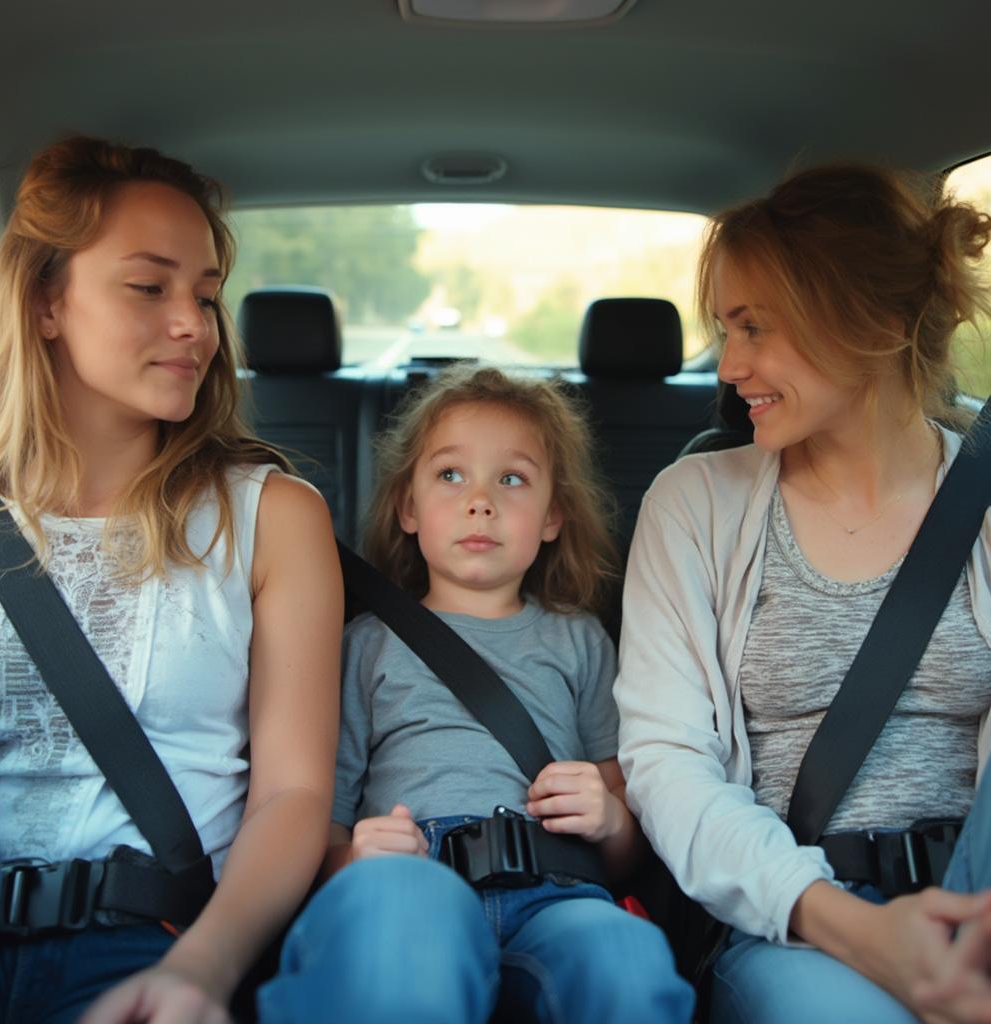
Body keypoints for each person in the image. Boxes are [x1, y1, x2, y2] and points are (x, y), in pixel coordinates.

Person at [0, 136, 342, 1023]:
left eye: (207, 295)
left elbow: (293, 792)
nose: (196, 325)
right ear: (46, 301)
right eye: (150, 287)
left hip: (150, 940)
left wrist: (204, 969)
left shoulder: (272, 516)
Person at [614, 163, 991, 1023]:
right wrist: (859, 931)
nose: (729, 364)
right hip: (796, 923)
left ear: (871, 321)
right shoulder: (693, 504)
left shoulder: (984, 499)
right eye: (725, 329)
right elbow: (669, 768)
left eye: (754, 328)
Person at [256, 365, 695, 1024]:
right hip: (412, 876)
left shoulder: (580, 641)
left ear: (552, 517)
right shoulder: (366, 643)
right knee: (404, 956)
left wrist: (609, 819)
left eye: (511, 479)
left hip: (556, 889)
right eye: (451, 475)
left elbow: (629, 826)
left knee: (627, 964)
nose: (480, 501)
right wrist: (351, 860)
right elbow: (320, 815)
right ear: (407, 507)